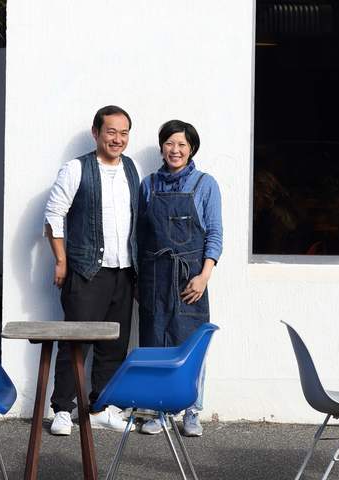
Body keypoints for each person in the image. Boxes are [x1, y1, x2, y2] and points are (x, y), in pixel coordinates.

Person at [44, 105, 140, 435]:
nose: (118, 139)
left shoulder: (132, 169)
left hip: (124, 271)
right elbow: (53, 216)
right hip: (87, 272)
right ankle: (62, 409)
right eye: (111, 131)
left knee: (114, 344)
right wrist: (61, 261)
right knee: (76, 342)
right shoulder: (75, 169)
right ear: (96, 133)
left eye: (124, 132)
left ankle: (103, 407)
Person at [137, 120, 223, 437]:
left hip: (190, 277)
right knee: (155, 343)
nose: (175, 150)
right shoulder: (147, 185)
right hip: (155, 275)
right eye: (170, 143)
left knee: (190, 344)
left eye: (182, 144)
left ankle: (191, 411)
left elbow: (214, 233)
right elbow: (139, 236)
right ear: (162, 147)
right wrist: (138, 278)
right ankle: (158, 411)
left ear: (192, 149)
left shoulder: (205, 184)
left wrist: (204, 276)